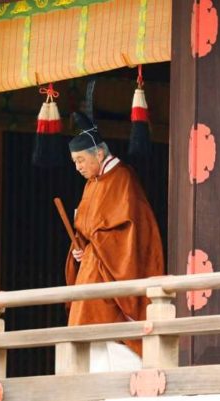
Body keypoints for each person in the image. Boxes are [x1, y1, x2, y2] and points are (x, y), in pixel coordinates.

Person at [64, 112, 164, 372]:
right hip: (92, 269)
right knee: (88, 340)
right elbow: (86, 228)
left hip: (110, 270)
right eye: (74, 162)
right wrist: (79, 247)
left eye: (81, 160)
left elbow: (128, 232)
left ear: (99, 154)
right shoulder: (92, 184)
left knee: (109, 336)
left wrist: (94, 244)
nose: (78, 167)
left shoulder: (122, 179)